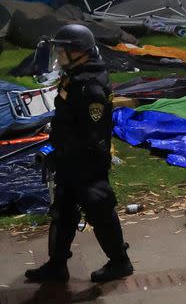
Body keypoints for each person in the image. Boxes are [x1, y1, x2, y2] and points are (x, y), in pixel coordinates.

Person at [25, 25, 133, 283]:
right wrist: (54, 150)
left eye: (62, 52)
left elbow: (91, 136)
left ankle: (120, 262)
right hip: (68, 160)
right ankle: (57, 265)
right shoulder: (74, 77)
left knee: (99, 211)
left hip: (86, 164)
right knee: (62, 212)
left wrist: (62, 153)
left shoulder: (90, 87)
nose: (59, 57)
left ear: (80, 53)